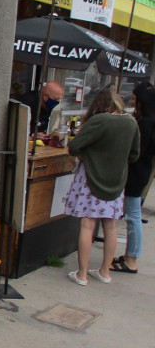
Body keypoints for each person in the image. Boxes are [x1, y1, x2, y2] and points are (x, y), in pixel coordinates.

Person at [63, 88, 140, 286]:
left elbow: (75, 146)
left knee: (87, 225)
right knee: (110, 226)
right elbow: (134, 155)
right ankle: (105, 272)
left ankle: (82, 274)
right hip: (116, 181)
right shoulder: (131, 122)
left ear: (97, 103)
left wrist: (91, 154)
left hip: (91, 178)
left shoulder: (99, 120)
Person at [114, 82, 155, 274]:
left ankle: (132, 259)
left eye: (134, 98)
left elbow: (137, 151)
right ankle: (130, 255)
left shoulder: (145, 123)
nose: (132, 101)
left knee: (132, 216)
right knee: (132, 215)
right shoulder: (149, 120)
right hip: (141, 172)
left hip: (136, 173)